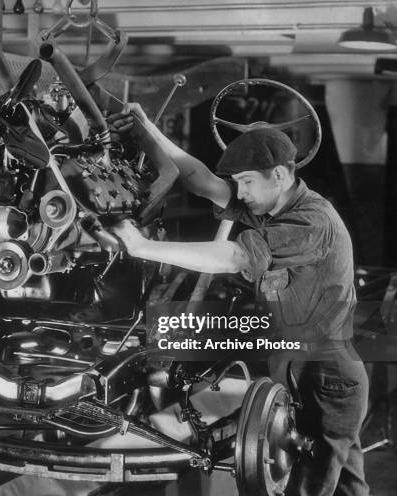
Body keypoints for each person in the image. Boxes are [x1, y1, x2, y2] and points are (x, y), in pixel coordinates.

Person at [108, 104, 369, 496]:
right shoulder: (270, 207)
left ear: (279, 175)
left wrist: (142, 247)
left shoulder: (311, 221)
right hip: (300, 369)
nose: (240, 192)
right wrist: (147, 130)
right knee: (346, 485)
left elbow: (233, 257)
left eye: (246, 181)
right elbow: (200, 179)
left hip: (327, 379)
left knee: (307, 488)